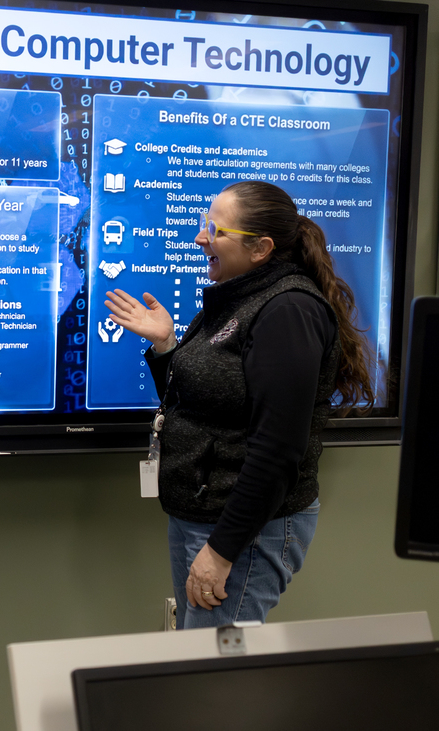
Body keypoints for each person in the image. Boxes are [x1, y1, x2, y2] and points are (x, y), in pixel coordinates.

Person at [105, 181, 373, 629]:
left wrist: (222, 549)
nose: (199, 238)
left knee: (216, 679)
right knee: (200, 664)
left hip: (245, 530)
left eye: (215, 228)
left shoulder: (288, 310)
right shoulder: (238, 297)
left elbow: (278, 449)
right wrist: (167, 345)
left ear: (261, 248)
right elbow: (201, 401)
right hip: (202, 516)